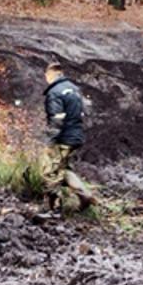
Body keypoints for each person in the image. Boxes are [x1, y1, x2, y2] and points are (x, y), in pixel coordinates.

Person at [41, 61, 93, 214]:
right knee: (63, 169)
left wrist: (49, 141)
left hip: (63, 139)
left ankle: (52, 210)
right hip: (76, 136)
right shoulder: (74, 89)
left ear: (50, 74)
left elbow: (57, 119)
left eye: (46, 76)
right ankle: (85, 195)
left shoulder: (54, 92)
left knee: (49, 172)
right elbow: (83, 112)